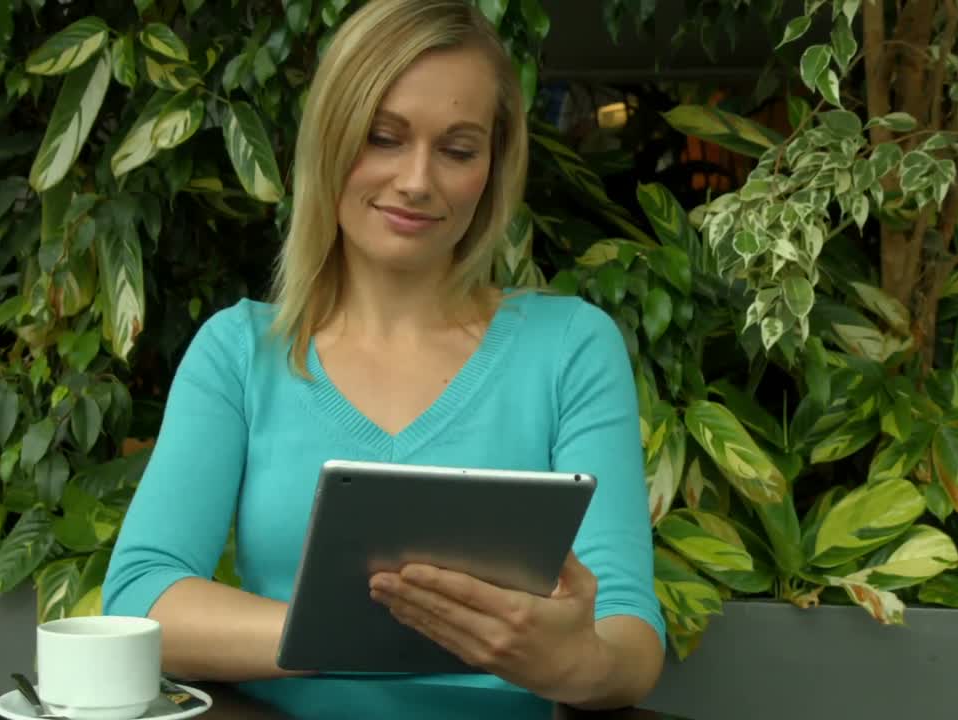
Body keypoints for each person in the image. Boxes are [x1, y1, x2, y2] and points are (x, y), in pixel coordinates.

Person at [100, 1, 666, 718]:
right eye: (383, 138)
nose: (417, 181)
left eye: (458, 150)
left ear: (492, 169)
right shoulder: (239, 352)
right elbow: (144, 592)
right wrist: (345, 636)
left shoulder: (571, 348)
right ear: (331, 140)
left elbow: (627, 632)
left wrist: (579, 663)